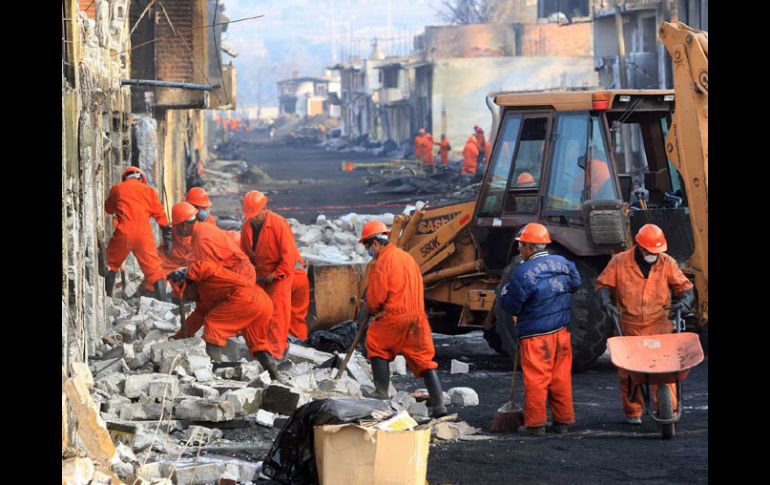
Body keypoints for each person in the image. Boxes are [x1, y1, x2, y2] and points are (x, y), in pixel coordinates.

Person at [596, 224, 694, 425]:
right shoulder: (619, 262)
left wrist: (685, 302)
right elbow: (603, 285)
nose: (653, 256)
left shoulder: (667, 262)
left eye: (657, 252)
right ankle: (633, 411)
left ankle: (668, 409)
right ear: (640, 247)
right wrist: (606, 302)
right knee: (629, 373)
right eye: (650, 252)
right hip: (630, 326)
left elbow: (685, 287)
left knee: (665, 370)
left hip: (659, 325)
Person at [498, 223, 581, 435]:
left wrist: (505, 292)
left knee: (537, 378)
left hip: (536, 336)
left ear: (530, 247)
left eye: (521, 245)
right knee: (560, 377)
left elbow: (511, 305)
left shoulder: (523, 272)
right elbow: (576, 284)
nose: (519, 249)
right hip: (561, 331)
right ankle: (562, 421)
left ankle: (535, 424)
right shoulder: (564, 263)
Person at [166, 204, 273, 364]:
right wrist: (179, 337)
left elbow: (206, 268)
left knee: (214, 323)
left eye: (176, 227)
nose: (176, 231)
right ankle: (270, 370)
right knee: (252, 336)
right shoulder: (203, 231)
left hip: (239, 281)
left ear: (184, 224)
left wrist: (187, 272)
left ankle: (216, 366)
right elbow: (199, 313)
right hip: (251, 291)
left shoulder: (202, 240)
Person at [361, 220, 447, 417]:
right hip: (417, 316)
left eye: (368, 247)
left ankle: (381, 392)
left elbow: (376, 298)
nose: (369, 251)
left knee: (376, 343)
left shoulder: (382, 262)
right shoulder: (407, 257)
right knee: (424, 359)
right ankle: (439, 405)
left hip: (395, 314)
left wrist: (370, 309)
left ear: (375, 243)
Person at [240, 191, 302, 375]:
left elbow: (289, 256)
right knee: (258, 313)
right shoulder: (247, 227)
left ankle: (277, 354)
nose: (253, 218)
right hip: (260, 276)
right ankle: (262, 352)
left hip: (280, 276)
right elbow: (244, 255)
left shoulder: (278, 224)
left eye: (255, 214)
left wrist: (275, 275)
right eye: (250, 215)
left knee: (276, 316)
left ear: (264, 209)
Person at [104, 166, 172, 301]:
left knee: (111, 264)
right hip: (144, 234)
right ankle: (164, 304)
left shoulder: (117, 189)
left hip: (124, 233)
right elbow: (160, 215)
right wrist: (167, 234)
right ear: (141, 178)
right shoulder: (149, 191)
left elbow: (109, 209)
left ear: (125, 178)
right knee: (155, 271)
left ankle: (107, 301)